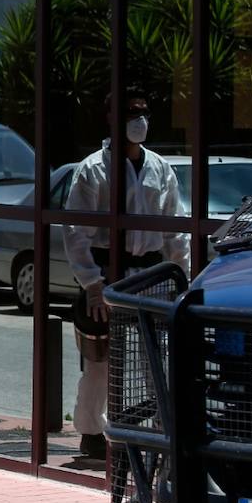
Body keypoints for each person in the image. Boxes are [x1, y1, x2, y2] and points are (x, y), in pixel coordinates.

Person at [63, 87, 189, 461]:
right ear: (113, 119)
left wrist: (181, 276)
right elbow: (75, 230)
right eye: (133, 112)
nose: (140, 120)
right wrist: (92, 284)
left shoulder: (159, 168)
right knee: (101, 361)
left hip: (150, 273)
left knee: (156, 357)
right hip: (108, 273)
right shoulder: (93, 169)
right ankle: (90, 431)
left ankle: (159, 430)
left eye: (144, 111)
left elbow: (175, 227)